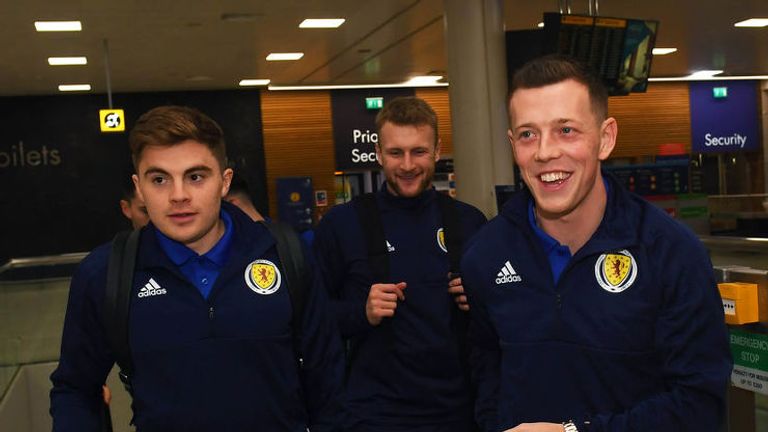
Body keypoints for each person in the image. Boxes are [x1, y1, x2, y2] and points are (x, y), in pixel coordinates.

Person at [461, 55, 732, 432]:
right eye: (528, 134)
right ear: (512, 144)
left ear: (605, 139)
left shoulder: (669, 252)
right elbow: (487, 371)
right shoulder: (485, 255)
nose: (544, 152)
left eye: (566, 130)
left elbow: (700, 403)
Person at [50, 105, 344, 431]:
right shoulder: (106, 273)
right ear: (140, 188)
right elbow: (74, 389)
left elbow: (328, 378)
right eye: (159, 179)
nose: (179, 196)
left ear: (224, 181)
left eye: (196, 176)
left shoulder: (286, 254)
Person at [313, 96, 487, 431]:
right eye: (396, 153)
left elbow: (508, 317)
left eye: (419, 152)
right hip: (375, 414)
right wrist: (361, 313)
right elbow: (313, 321)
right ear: (378, 153)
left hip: (459, 412)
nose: (407, 165)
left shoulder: (469, 222)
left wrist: (480, 300)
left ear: (437, 151)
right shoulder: (342, 225)